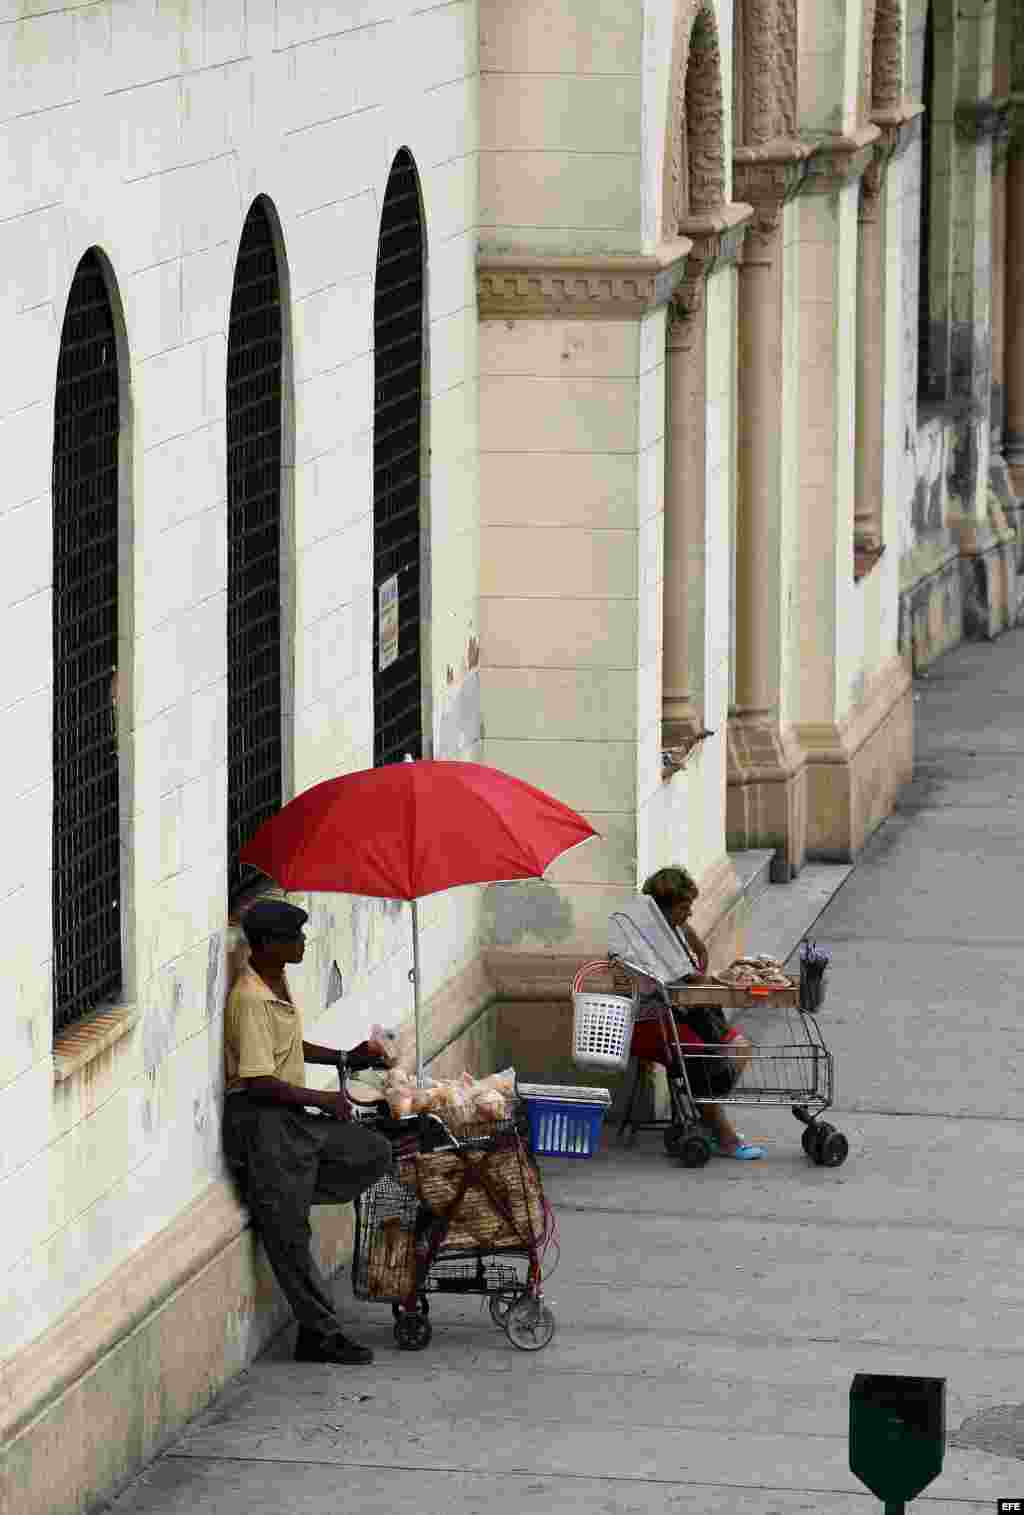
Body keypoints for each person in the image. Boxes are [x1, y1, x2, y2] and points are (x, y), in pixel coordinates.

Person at [222, 897, 395, 1365]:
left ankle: (281, 1197)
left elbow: (290, 1048)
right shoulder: (251, 999)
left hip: (289, 1123)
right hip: (262, 1123)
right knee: (290, 1239)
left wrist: (346, 1058)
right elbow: (258, 1080)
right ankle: (320, 1333)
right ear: (268, 945)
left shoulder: (276, 983)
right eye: (294, 937)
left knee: (372, 1151)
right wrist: (323, 1100)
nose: (302, 943)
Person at [623, 867, 765, 1161]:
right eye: (683, 908)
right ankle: (723, 1135)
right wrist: (692, 985)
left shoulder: (676, 930)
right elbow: (657, 987)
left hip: (688, 1014)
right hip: (653, 1023)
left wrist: (696, 965)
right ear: (661, 910)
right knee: (705, 1061)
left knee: (739, 1048)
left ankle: (704, 1115)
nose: (689, 914)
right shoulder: (640, 940)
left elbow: (699, 957)